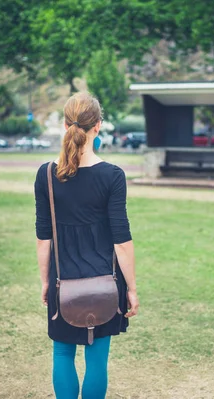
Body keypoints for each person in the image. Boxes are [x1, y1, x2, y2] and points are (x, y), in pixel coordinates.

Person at [34, 92, 139, 399]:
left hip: (61, 281)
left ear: (67, 125)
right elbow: (122, 241)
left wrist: (44, 282)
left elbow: (44, 238)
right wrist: (131, 289)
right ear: (98, 127)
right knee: (97, 361)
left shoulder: (45, 175)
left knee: (62, 355)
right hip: (105, 284)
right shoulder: (113, 175)